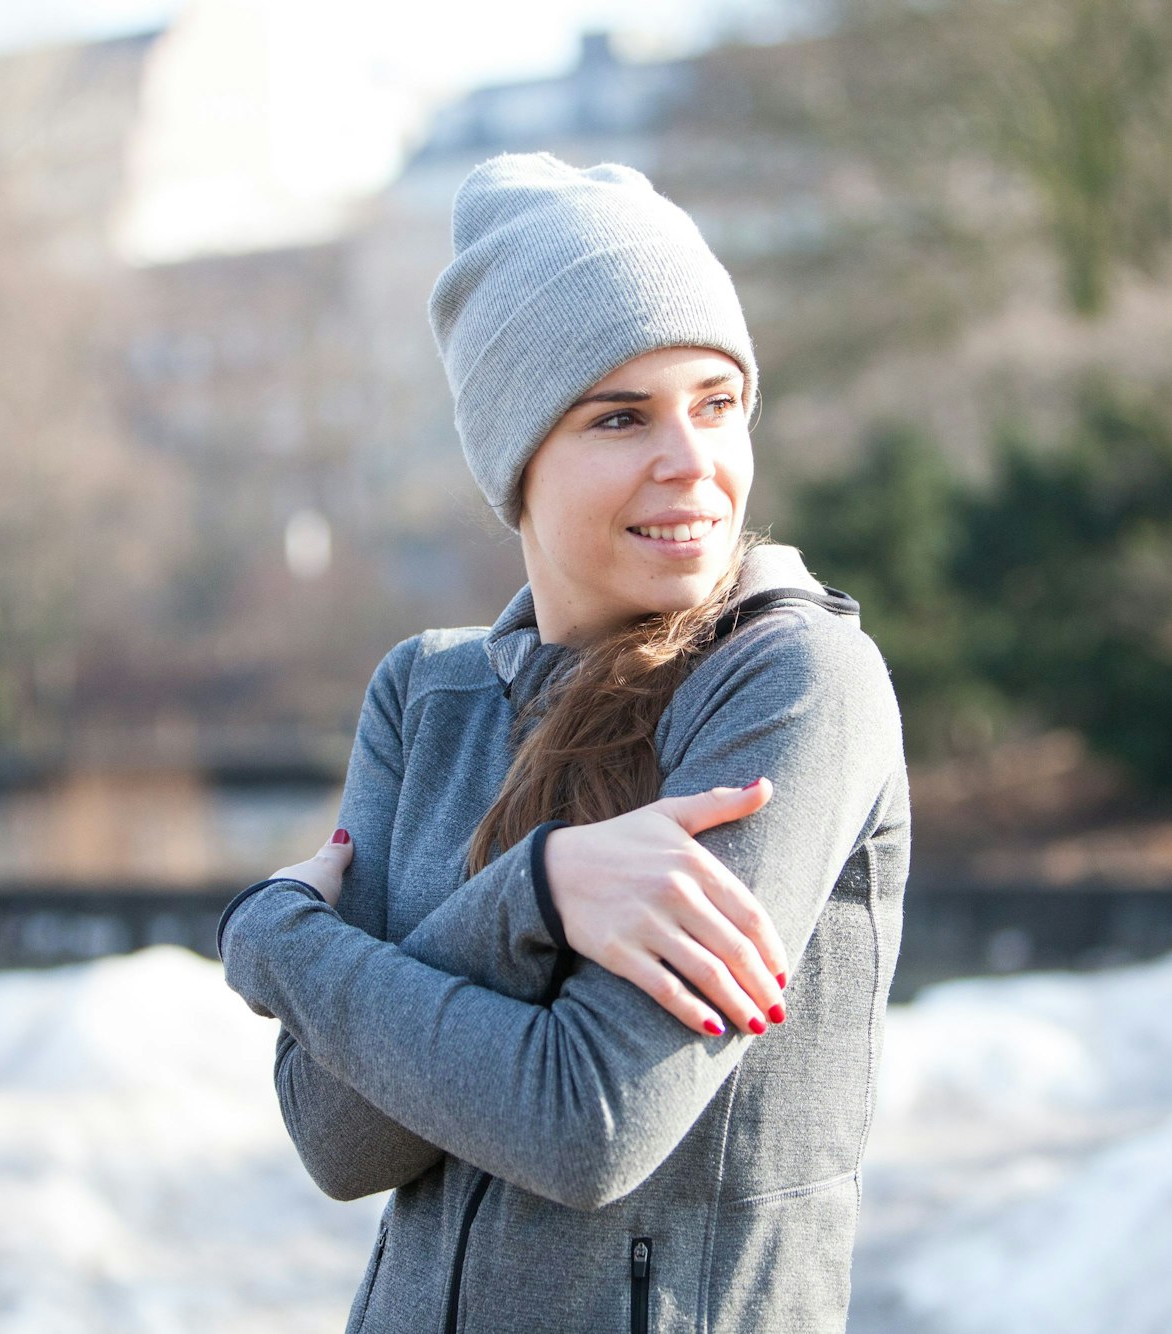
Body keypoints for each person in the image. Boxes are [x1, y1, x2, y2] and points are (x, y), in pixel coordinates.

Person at [217, 151, 910, 1334]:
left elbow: (588, 1121)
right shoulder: (423, 696)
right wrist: (538, 896)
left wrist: (277, 933)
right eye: (620, 415)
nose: (690, 460)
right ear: (516, 453)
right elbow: (337, 1137)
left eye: (716, 402)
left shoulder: (790, 682)